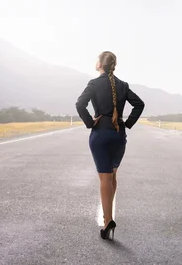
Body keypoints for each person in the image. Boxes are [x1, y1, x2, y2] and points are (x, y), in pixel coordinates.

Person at [75, 51, 145, 240]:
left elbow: (80, 104)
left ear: (100, 64)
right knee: (113, 175)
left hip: (101, 133)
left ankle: (108, 221)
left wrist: (90, 122)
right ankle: (108, 217)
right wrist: (127, 123)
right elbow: (139, 104)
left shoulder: (94, 84)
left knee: (104, 178)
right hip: (118, 134)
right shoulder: (122, 85)